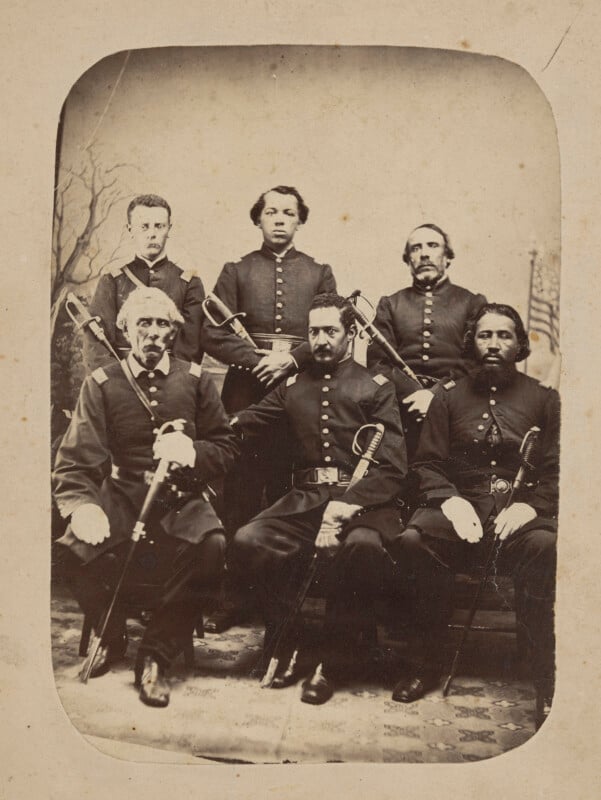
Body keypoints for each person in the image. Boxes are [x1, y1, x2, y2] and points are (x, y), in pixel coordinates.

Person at [53, 288, 239, 708]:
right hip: (121, 494)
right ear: (125, 328)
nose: (153, 333)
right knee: (70, 549)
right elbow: (75, 462)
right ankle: (112, 631)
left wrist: (192, 451)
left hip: (178, 496)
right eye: (144, 323)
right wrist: (83, 506)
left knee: (213, 547)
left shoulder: (195, 379)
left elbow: (226, 447)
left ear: (173, 331)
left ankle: (154, 654)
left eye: (162, 324)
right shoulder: (101, 383)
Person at [229, 293, 407, 705]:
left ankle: (333, 661)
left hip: (364, 503)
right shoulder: (293, 385)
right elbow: (247, 422)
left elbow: (393, 466)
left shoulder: (375, 387)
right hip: (305, 500)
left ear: (351, 333)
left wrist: (348, 505)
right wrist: (202, 430)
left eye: (331, 331)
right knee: (248, 540)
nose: (321, 340)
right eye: (314, 332)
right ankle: (291, 641)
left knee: (362, 548)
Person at [391, 303, 559, 729]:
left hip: (518, 514)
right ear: (472, 342)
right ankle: (424, 662)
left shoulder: (543, 399)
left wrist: (531, 505)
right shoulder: (447, 399)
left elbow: (560, 469)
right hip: (460, 510)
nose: (494, 344)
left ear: (520, 344)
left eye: (504, 336)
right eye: (485, 335)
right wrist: (449, 499)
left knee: (545, 545)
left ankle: (543, 674)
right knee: (414, 539)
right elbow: (426, 463)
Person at [202, 185, 337, 633]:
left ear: (300, 221)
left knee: (288, 498)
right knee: (238, 497)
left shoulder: (319, 273)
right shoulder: (236, 271)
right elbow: (213, 334)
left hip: (298, 392)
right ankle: (235, 598)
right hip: (246, 390)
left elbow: (335, 328)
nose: (280, 219)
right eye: (271, 212)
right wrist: (259, 360)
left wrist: (293, 360)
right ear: (258, 219)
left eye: (289, 213)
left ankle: (282, 602)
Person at [367, 223, 487, 455]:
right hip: (403, 409)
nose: (424, 253)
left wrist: (436, 395)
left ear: (447, 257)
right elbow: (378, 365)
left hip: (458, 407)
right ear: (408, 259)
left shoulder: (472, 303)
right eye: (416, 248)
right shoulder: (390, 305)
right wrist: (413, 394)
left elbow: (475, 361)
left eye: (433, 246)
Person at [84, 194, 206, 371]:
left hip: (172, 385)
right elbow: (96, 348)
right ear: (130, 230)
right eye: (144, 227)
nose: (152, 234)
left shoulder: (189, 284)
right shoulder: (112, 281)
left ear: (169, 229)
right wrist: (116, 386)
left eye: (159, 226)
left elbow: (190, 348)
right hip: (121, 382)